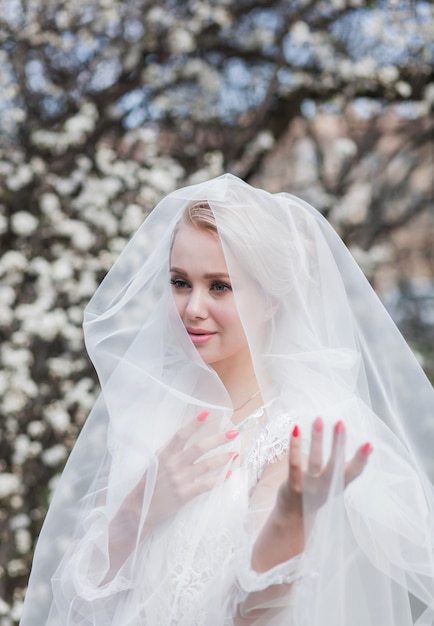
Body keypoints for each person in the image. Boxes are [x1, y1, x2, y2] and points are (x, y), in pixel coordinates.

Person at [21, 174, 434, 625]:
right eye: (181, 282)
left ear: (273, 298)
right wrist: (143, 504)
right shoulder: (154, 408)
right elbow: (81, 599)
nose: (193, 307)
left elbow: (246, 609)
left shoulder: (290, 429)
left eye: (220, 286)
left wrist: (292, 515)